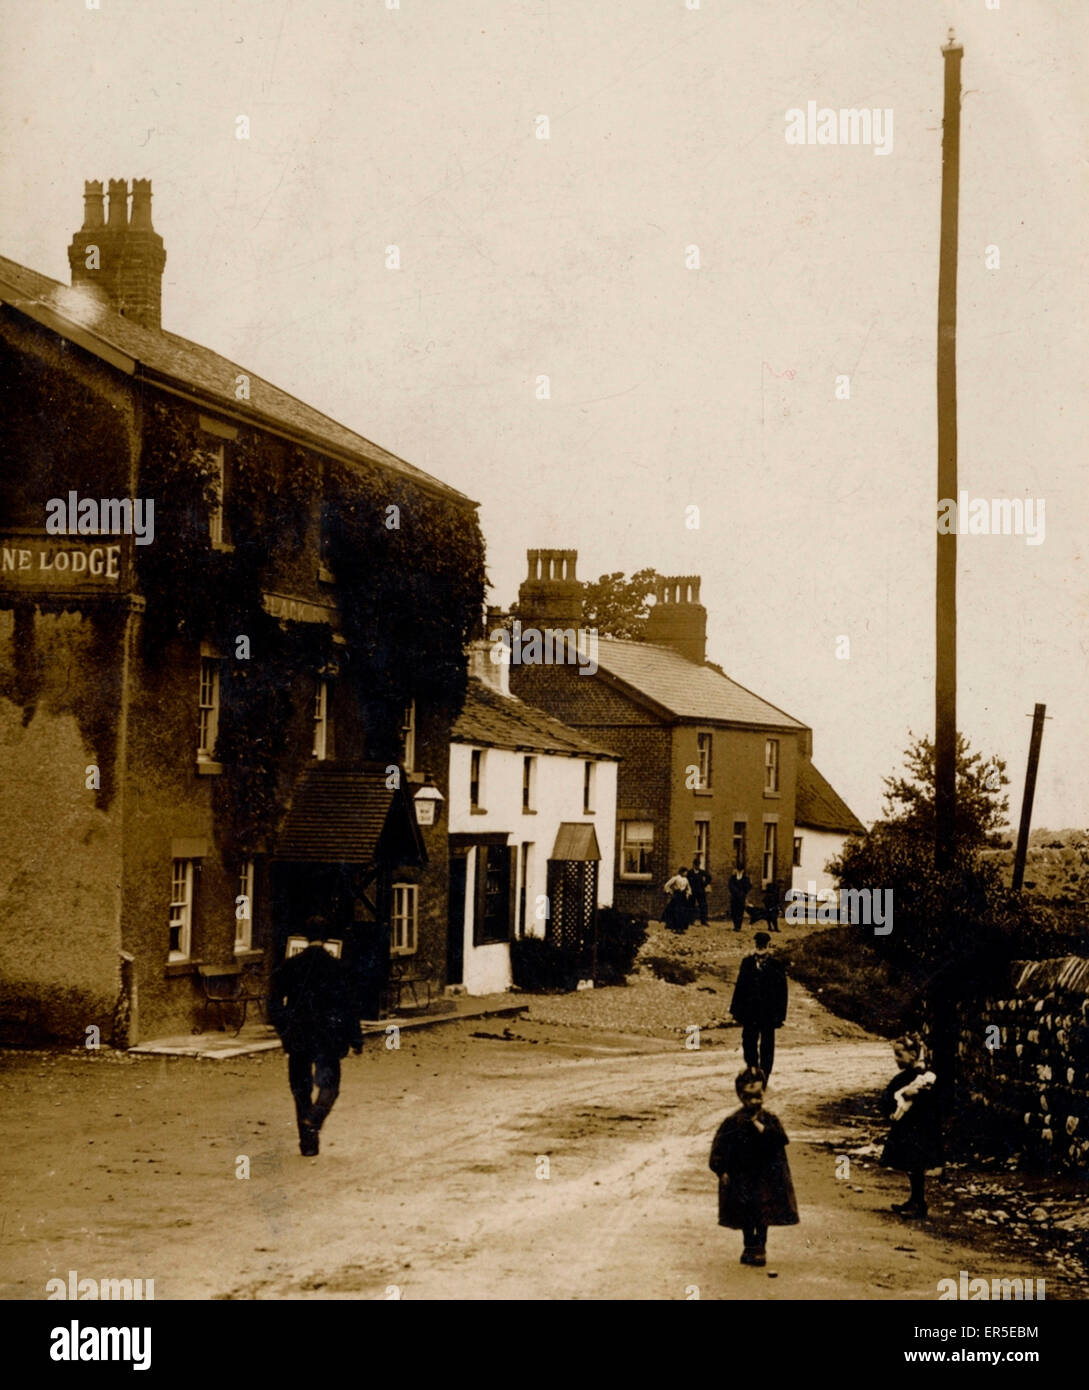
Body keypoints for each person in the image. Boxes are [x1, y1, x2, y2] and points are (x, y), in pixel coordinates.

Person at [268, 915, 363, 1157]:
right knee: (330, 1085)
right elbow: (350, 1007)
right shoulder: (338, 968)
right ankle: (316, 1116)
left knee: (300, 1089)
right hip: (329, 1038)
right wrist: (355, 1039)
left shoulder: (289, 966)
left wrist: (284, 1029)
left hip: (298, 1035)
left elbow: (273, 1004)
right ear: (327, 938)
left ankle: (308, 1145)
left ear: (305, 937)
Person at [709, 1067, 799, 1267]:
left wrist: (759, 1127)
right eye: (750, 1097)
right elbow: (720, 1147)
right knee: (746, 1213)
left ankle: (761, 1247)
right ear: (741, 1097)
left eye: (759, 1096)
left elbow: (781, 1139)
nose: (755, 1102)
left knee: (763, 1214)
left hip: (766, 1177)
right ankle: (749, 1246)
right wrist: (721, 1170)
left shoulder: (769, 1120)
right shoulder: (733, 1122)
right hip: (742, 1177)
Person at [880, 1034, 943, 1219]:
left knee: (916, 1164)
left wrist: (914, 1095)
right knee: (911, 1165)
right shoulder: (904, 1078)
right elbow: (888, 1097)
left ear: (914, 1054)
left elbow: (932, 1102)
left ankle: (919, 1203)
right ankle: (915, 1200)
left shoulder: (924, 1078)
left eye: (900, 1055)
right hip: (908, 1128)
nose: (896, 1059)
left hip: (919, 1129)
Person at [729, 931, 787, 1078]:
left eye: (763, 944)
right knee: (748, 1042)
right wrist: (736, 1010)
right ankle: (752, 1067)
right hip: (750, 1011)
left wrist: (780, 1015)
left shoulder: (776, 965)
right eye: (758, 944)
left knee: (767, 1045)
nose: (760, 947)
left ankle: (765, 1074)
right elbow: (740, 986)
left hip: (768, 1013)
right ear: (755, 945)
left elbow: (782, 992)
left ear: (768, 945)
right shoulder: (747, 963)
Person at [663, 866, 693, 934]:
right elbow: (667, 885)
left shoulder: (686, 879)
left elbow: (689, 888)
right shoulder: (675, 878)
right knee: (676, 911)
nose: (686, 873)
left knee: (683, 912)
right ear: (682, 872)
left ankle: (681, 927)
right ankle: (675, 927)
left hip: (683, 897)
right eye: (685, 872)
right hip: (677, 896)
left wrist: (688, 894)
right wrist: (670, 892)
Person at [688, 859, 712, 926]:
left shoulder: (702, 872)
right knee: (691, 905)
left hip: (700, 891)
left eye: (698, 865)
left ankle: (703, 921)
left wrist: (704, 884)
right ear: (693, 865)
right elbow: (687, 881)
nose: (697, 866)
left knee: (703, 906)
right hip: (692, 892)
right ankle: (691, 920)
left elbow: (709, 878)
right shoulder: (690, 873)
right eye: (696, 865)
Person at [728, 866, 751, 933]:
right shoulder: (733, 878)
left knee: (740, 911)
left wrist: (743, 893)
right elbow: (730, 886)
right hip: (734, 897)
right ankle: (735, 925)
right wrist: (735, 892)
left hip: (741, 898)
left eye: (740, 871)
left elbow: (748, 886)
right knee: (734, 911)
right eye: (738, 870)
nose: (739, 872)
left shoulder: (745, 879)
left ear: (743, 871)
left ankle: (738, 926)